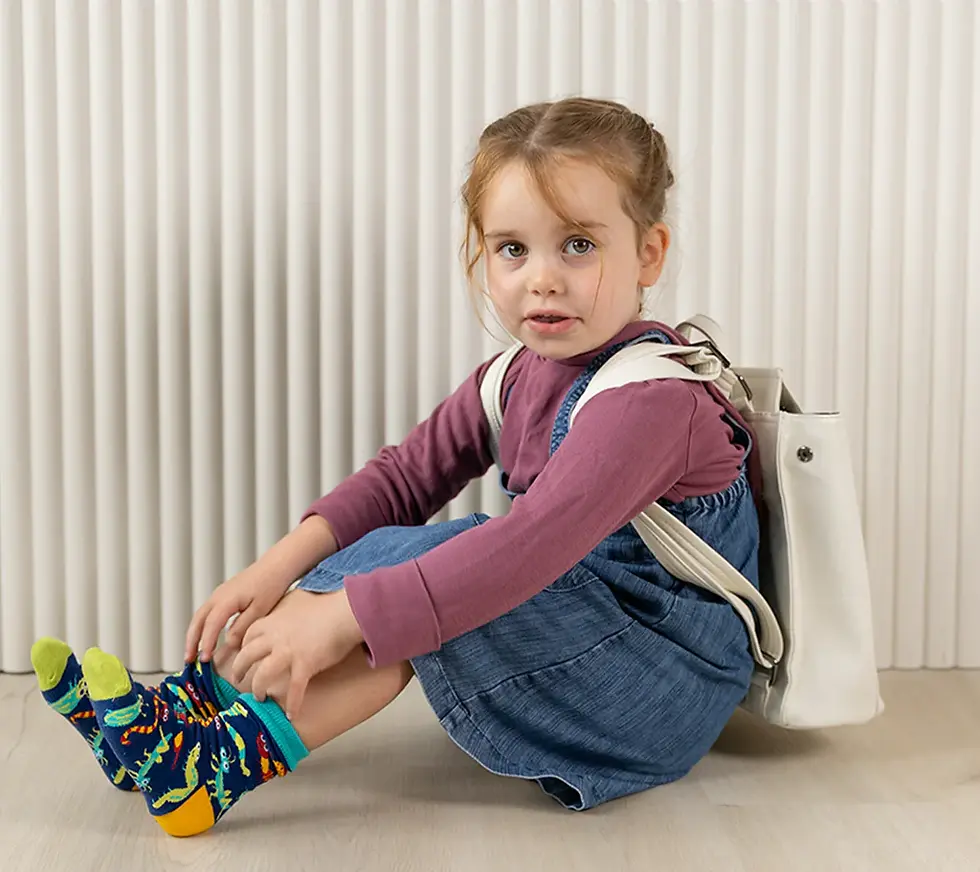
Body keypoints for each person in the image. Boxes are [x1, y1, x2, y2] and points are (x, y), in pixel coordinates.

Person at [30, 96, 761, 837]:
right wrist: (275, 569)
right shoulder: (518, 374)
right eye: (512, 248)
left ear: (648, 253)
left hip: (663, 682)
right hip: (591, 639)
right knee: (410, 558)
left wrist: (343, 614)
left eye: (577, 245)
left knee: (449, 569)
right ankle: (184, 720)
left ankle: (217, 765)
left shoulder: (651, 402)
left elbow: (524, 549)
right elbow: (404, 479)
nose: (541, 278)